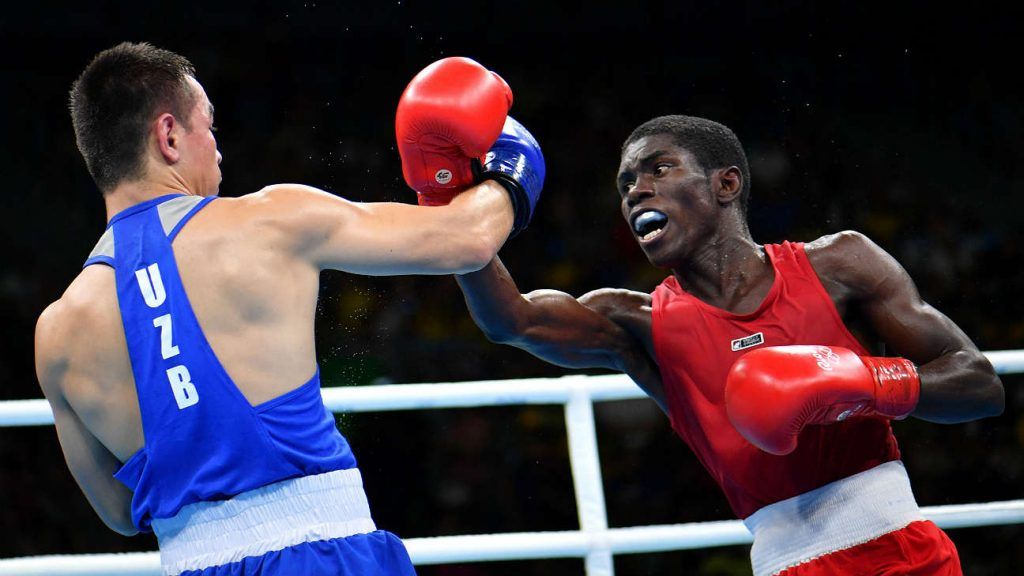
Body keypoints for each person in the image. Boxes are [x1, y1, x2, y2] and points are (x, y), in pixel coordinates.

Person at [33, 43, 544, 576]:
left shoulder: (56, 334)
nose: (218, 150)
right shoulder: (269, 222)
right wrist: (511, 160)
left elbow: (118, 514)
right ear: (168, 136)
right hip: (326, 555)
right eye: (208, 126)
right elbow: (468, 239)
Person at [454, 115, 1004, 575]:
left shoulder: (840, 264)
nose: (635, 191)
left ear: (726, 184)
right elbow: (511, 321)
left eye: (658, 169)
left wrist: (867, 383)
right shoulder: (634, 322)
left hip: (903, 553)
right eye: (625, 184)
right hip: (784, 561)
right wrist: (454, 195)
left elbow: (980, 385)